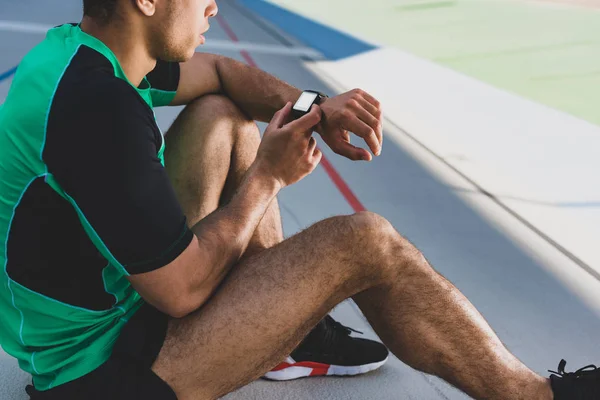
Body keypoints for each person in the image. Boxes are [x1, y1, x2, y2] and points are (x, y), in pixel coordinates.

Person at [0, 0, 597, 399]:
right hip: (95, 374)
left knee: (220, 116)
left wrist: (315, 107)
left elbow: (221, 74)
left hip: (110, 310)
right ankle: (534, 395)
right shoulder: (93, 109)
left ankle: (286, 335)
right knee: (365, 242)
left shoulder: (83, 57)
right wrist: (268, 177)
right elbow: (180, 292)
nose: (213, 6)